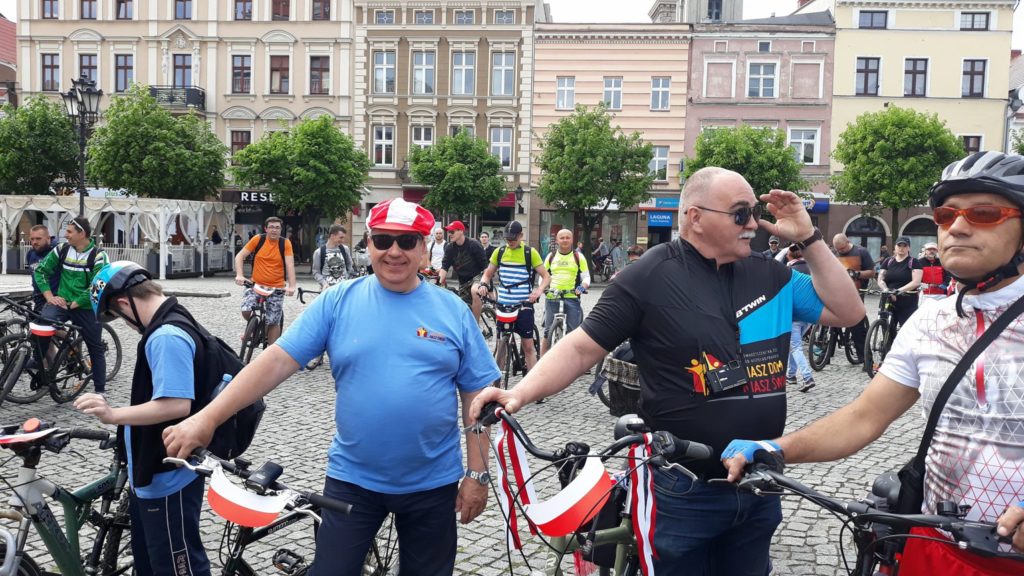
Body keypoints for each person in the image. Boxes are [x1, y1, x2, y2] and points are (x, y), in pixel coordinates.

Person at [470, 167, 863, 575]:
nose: (753, 224)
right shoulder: (649, 276)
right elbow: (581, 347)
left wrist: (809, 238)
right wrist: (519, 393)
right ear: (695, 217)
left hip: (758, 482)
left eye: (754, 212)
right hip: (683, 490)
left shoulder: (771, 274)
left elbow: (849, 312)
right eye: (740, 213)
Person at [722, 150, 1024, 572]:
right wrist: (775, 448)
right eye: (946, 215)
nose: (956, 227)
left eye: (984, 214)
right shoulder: (931, 321)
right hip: (934, 545)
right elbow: (864, 417)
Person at [164, 198, 499, 576]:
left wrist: (477, 474)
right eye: (383, 240)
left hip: (432, 484)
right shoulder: (338, 301)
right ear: (368, 244)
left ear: (423, 248)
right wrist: (207, 418)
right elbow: (275, 362)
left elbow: (477, 395)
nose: (394, 251)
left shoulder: (452, 310)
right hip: (353, 480)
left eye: (407, 241)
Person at [76, 262, 210, 576]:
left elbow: (176, 404)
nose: (126, 324)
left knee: (178, 567)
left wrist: (113, 415)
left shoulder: (166, 336)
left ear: (125, 303)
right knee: (153, 563)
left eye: (119, 317)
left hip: (168, 476)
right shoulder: (173, 318)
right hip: (159, 471)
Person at [32, 216, 110, 392]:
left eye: (69, 232)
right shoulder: (62, 249)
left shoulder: (99, 255)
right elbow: (41, 271)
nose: (65, 235)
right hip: (61, 302)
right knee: (42, 325)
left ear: (82, 233)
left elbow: (98, 285)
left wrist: (76, 303)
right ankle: (38, 361)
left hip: (86, 308)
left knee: (95, 348)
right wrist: (49, 296)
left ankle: (100, 391)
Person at [476, 221, 552, 375]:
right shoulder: (499, 252)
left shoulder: (530, 253)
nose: (510, 242)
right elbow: (487, 274)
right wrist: (483, 284)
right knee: (501, 345)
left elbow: (546, 277)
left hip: (524, 306)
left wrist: (539, 290)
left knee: (528, 346)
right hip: (503, 306)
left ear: (521, 236)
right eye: (507, 239)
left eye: (513, 239)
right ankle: (497, 382)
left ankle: (533, 383)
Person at [234, 216, 296, 346]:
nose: (274, 230)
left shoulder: (285, 243)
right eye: (271, 227)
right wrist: (240, 275)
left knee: (273, 321)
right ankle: (255, 329)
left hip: (277, 287)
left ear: (281, 230)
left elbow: (290, 265)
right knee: (246, 310)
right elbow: (240, 256)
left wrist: (292, 286)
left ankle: (271, 351)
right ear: (266, 229)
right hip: (256, 285)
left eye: (277, 228)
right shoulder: (258, 239)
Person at [539, 228, 590, 357]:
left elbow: (586, 277)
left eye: (568, 237)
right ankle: (542, 361)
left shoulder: (578, 257)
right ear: (557, 240)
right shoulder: (551, 256)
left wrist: (582, 287)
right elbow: (543, 276)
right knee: (547, 331)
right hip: (553, 296)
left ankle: (573, 361)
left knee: (573, 333)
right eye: (562, 238)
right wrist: (543, 288)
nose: (565, 240)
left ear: (572, 240)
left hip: (571, 296)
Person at [832, 233, 875, 361]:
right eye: (838, 249)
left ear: (848, 242)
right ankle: (826, 354)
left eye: (842, 249)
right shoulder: (834, 253)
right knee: (831, 321)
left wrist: (857, 274)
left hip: (856, 293)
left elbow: (872, 272)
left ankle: (865, 358)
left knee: (857, 325)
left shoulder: (861, 252)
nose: (840, 251)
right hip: (838, 292)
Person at [438, 221, 488, 320]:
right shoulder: (449, 248)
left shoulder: (474, 244)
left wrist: (485, 284)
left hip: (478, 277)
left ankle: (475, 325)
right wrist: (438, 282)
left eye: (452, 232)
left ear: (461, 231)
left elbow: (485, 266)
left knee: (475, 291)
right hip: (463, 282)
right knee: (460, 309)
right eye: (448, 232)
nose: (449, 234)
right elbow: (444, 267)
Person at [785, 243, 815, 393]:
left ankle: (807, 377)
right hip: (809, 316)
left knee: (795, 347)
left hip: (794, 316)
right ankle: (791, 375)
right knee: (794, 345)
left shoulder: (788, 271)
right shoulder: (812, 268)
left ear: (788, 255)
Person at [878, 236, 922, 331]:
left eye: (904, 246)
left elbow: (916, 282)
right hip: (888, 298)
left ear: (909, 248)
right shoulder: (888, 261)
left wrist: (898, 291)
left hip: (907, 301)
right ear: (895, 247)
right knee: (886, 327)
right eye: (899, 245)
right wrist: (885, 289)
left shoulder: (914, 262)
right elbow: (880, 279)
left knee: (907, 330)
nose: (901, 248)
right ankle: (888, 340)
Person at [26, 225, 59, 312]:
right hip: (38, 298)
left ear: (48, 238)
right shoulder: (31, 254)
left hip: (55, 298)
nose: (34, 242)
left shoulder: (57, 252)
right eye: (32, 239)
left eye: (38, 239)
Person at [311, 224, 354, 288]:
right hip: (328, 290)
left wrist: (347, 278)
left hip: (343, 288)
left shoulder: (345, 249)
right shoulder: (319, 252)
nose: (343, 240)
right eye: (341, 237)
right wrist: (324, 283)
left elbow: (350, 266)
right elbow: (316, 272)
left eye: (343, 238)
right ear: (332, 236)